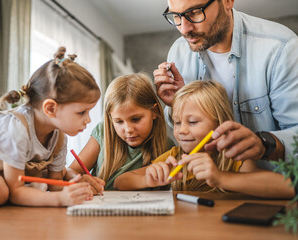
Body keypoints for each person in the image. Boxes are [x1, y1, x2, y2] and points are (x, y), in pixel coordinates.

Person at [0, 48, 101, 207]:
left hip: (8, 177)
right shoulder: (17, 128)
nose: (88, 120)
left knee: (30, 186)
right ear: (51, 109)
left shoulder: (60, 136)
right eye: (82, 112)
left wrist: (76, 189)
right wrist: (60, 199)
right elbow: (16, 192)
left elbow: (55, 184)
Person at [153, 0, 298, 167]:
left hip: (272, 188)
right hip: (211, 189)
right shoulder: (179, 52)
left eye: (195, 12)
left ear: (227, 2)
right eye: (176, 16)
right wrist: (178, 104)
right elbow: (184, 131)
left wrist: (264, 144)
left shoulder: (281, 48)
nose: (184, 29)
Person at [115, 81, 294, 198]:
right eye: (176, 123)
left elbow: (287, 187)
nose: (181, 131)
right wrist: (148, 179)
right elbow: (120, 182)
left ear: (219, 123)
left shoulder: (231, 157)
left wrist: (221, 177)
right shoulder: (176, 157)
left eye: (192, 122)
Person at [67, 73, 175, 190]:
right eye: (119, 121)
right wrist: (78, 179)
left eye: (135, 119)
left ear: (154, 111)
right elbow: (70, 172)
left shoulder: (167, 147)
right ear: (110, 118)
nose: (128, 130)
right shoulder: (103, 133)